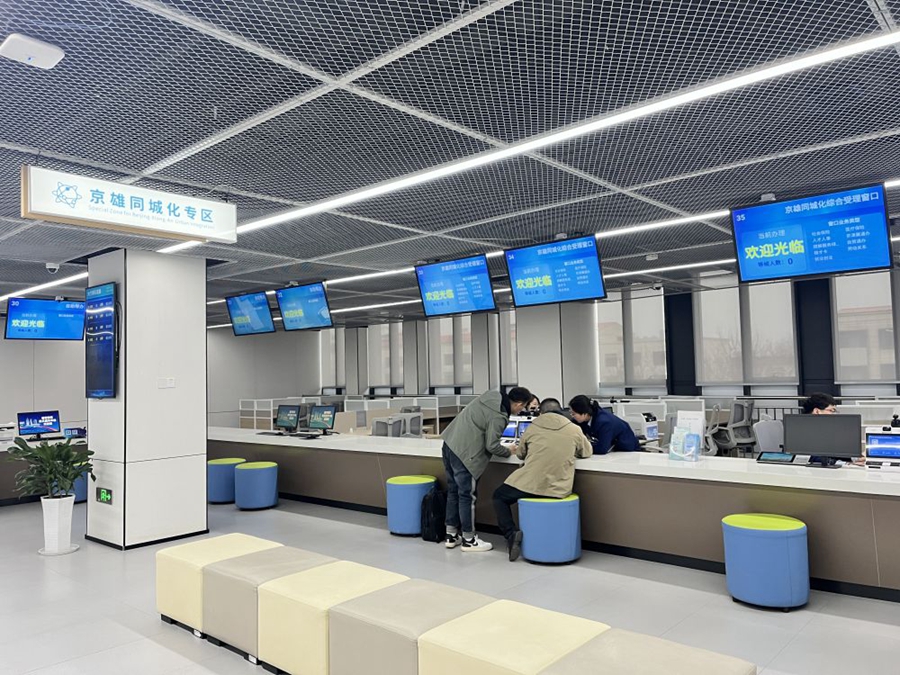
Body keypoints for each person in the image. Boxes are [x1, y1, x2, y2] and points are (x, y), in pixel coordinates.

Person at [492, 398, 592, 561]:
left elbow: (520, 454)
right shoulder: (574, 429)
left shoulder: (532, 427)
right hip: (558, 488)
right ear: (561, 411)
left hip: (530, 484)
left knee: (499, 497)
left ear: (541, 412)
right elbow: (587, 452)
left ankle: (511, 534)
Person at [441, 386, 533, 552]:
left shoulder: (490, 396)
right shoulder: (499, 416)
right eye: (523, 407)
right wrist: (508, 451)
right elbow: (491, 445)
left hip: (449, 445)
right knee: (467, 496)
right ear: (519, 404)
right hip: (466, 454)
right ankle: (469, 539)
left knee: (454, 491)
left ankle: (451, 534)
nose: (521, 411)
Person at [568, 395, 639, 454]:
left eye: (574, 414)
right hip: (614, 449)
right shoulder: (583, 419)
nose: (572, 416)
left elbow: (602, 448)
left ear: (585, 413)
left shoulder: (604, 422)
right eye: (570, 413)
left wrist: (582, 448)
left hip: (627, 449)